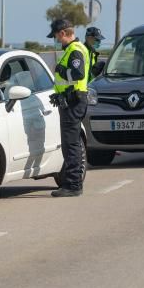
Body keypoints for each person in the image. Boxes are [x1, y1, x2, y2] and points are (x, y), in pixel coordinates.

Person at [48, 18, 90, 197]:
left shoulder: (74, 50)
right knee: (71, 144)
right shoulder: (77, 49)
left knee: (71, 145)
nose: (57, 40)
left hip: (73, 101)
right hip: (72, 100)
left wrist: (60, 70)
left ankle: (73, 185)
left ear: (63, 33)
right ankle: (72, 183)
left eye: (57, 36)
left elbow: (77, 73)